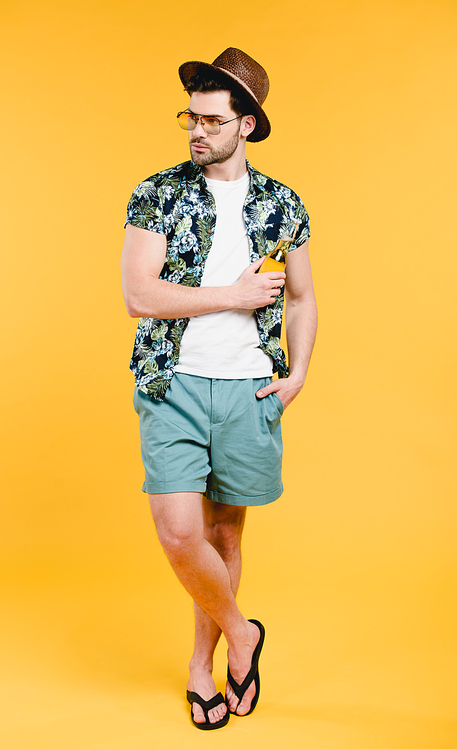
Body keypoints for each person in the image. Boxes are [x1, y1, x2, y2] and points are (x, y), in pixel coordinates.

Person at [121, 47, 317, 730]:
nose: (195, 131)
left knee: (225, 532)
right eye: (190, 118)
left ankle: (203, 667)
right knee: (180, 532)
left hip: (248, 388)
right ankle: (244, 633)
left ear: (247, 125)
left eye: (210, 119)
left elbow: (301, 295)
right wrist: (229, 294)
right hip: (172, 381)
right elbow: (137, 293)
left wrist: (297, 372)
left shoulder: (282, 202)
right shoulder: (157, 192)